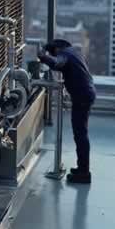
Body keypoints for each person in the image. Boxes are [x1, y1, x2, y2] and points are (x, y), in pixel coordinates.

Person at [39, 39, 96, 184]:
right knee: (81, 134)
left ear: (58, 49)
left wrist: (42, 56)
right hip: (86, 94)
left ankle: (84, 173)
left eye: (54, 52)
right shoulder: (75, 53)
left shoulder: (65, 54)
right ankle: (82, 168)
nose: (55, 54)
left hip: (81, 97)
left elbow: (57, 63)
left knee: (80, 135)